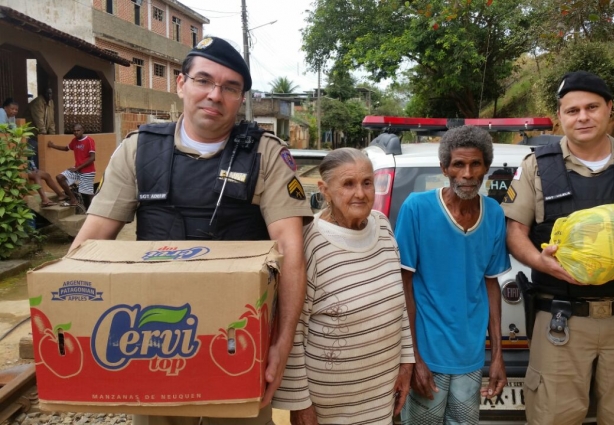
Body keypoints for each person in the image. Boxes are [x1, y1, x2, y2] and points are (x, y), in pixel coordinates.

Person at [68, 36, 313, 425]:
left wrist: (282, 344)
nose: (215, 95)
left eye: (230, 87)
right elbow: (90, 241)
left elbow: (291, 249)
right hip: (151, 339)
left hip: (236, 339)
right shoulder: (138, 150)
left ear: (240, 98)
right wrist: (72, 321)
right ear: (181, 84)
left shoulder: (265, 153)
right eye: (204, 81)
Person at [502, 70, 614, 424]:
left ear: (610, 108)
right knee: (553, 417)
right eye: (572, 110)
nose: (582, 117)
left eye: (592, 107)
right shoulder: (537, 166)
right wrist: (539, 260)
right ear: (561, 116)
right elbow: (514, 231)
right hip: (561, 321)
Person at [272, 148, 415, 424]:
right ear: (325, 189)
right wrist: (299, 404)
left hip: (380, 395)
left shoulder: (383, 226)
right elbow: (291, 329)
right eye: (348, 184)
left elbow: (398, 303)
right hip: (328, 405)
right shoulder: (308, 242)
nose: (360, 194)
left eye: (367, 183)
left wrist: (406, 363)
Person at [395, 125, 509, 424]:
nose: (468, 174)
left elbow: (491, 284)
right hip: (428, 355)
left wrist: (497, 355)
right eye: (459, 164)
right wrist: (413, 358)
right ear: (445, 168)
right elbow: (403, 287)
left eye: (476, 164)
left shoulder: (494, 214)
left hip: (470, 357)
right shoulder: (417, 209)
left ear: (486, 167)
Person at [47, 124, 96, 207]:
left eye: (78, 130)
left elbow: (92, 158)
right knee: (60, 177)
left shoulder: (89, 140)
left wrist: (77, 168)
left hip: (87, 171)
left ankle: (94, 213)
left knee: (88, 193)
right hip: (77, 169)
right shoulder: (74, 141)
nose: (76, 132)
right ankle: (73, 199)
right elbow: (66, 148)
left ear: (83, 130)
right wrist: (53, 146)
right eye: (74, 131)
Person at [24, 87, 55, 169]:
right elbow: (39, 119)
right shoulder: (37, 102)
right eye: (47, 93)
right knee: (34, 153)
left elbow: (51, 120)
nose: (49, 95)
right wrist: (43, 133)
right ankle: (35, 170)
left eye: (50, 93)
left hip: (40, 135)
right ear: (42, 93)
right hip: (32, 134)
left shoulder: (51, 102)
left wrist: (52, 135)